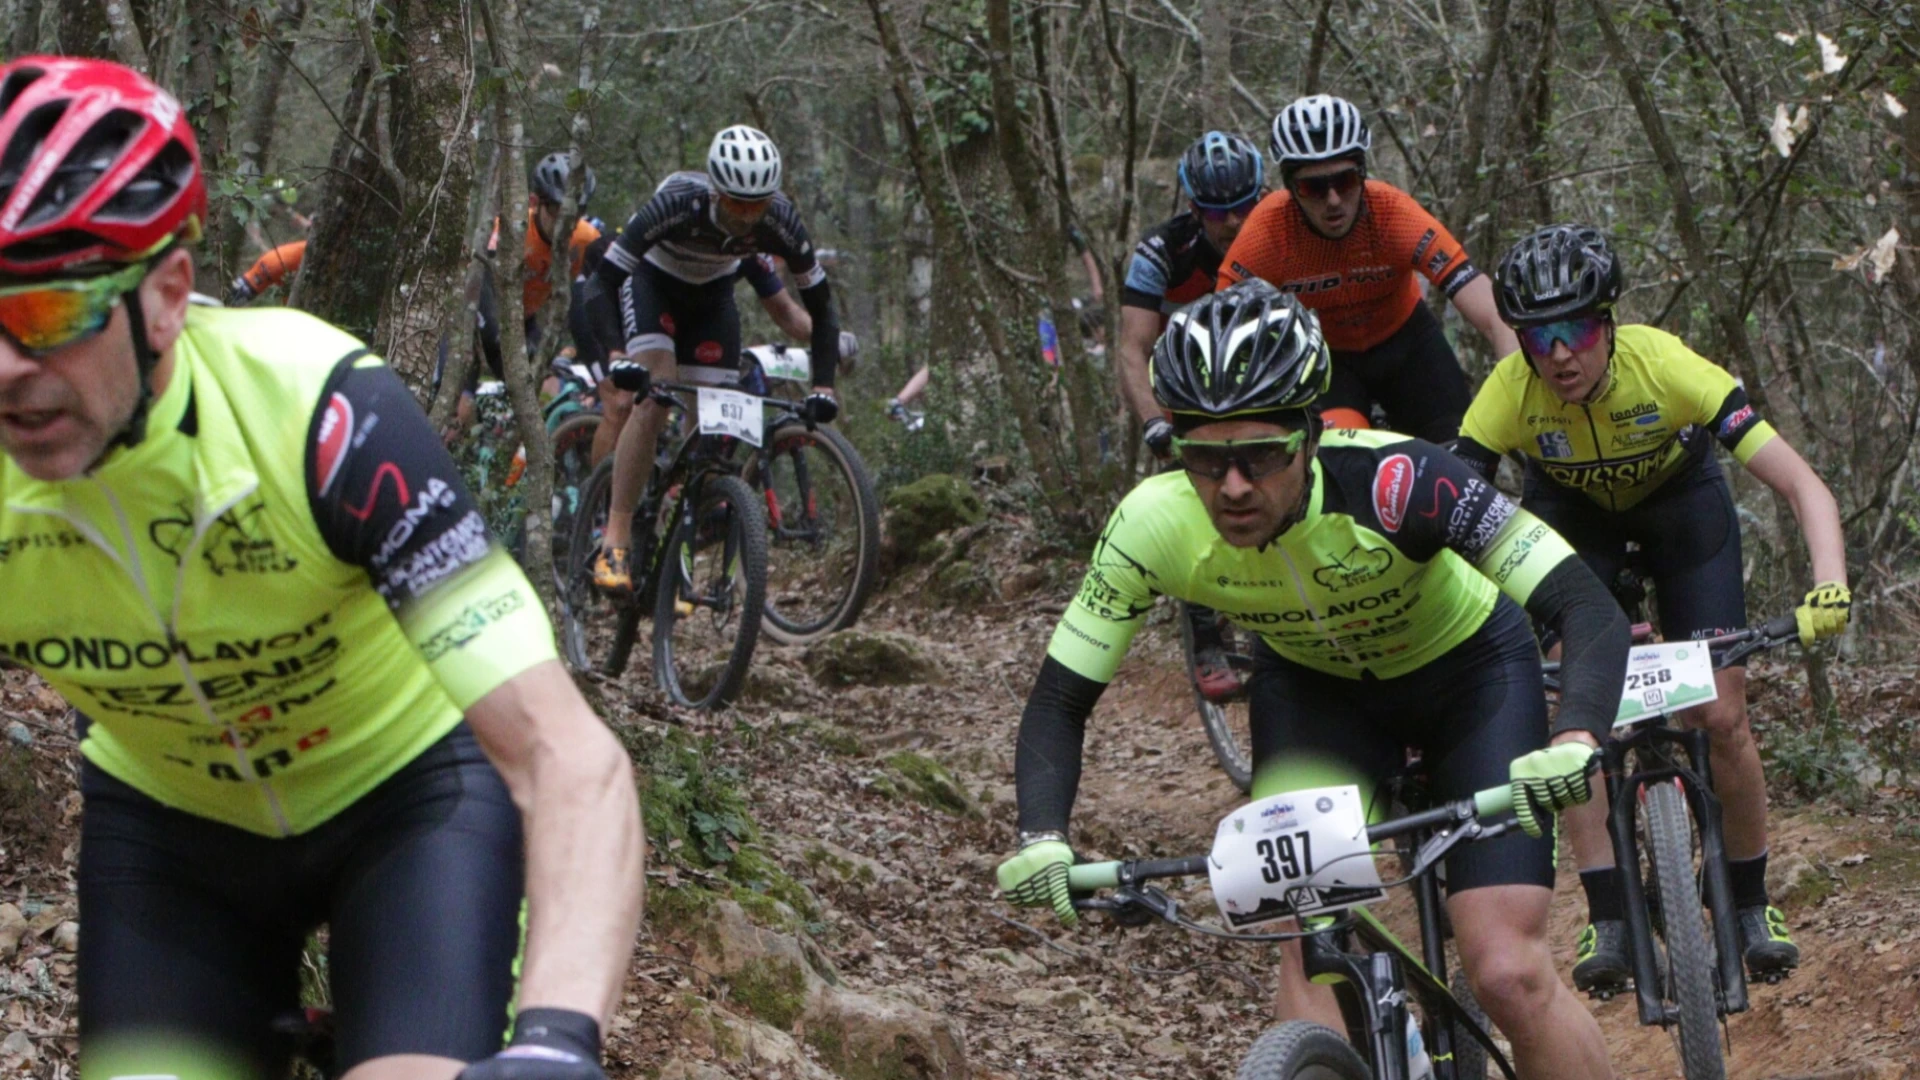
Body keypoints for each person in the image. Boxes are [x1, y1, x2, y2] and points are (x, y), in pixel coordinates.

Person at [0, 56, 643, 1080]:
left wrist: (558, 1044)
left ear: (167, 296)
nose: (7, 367)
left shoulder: (322, 417)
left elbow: (571, 759)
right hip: (171, 841)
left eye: (45, 315)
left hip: (407, 802)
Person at [996, 280, 1628, 1080]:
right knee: (1309, 949)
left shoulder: (1405, 482)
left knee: (1508, 970)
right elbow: (1062, 695)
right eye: (1204, 458)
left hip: (1470, 678)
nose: (1230, 488)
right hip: (1317, 696)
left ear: (1310, 435)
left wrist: (1575, 736)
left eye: (1259, 456)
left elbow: (1584, 605)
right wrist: (1041, 834)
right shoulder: (1152, 524)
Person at [1455, 223, 1849, 990]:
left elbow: (1803, 485)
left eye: (1577, 330)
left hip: (1682, 518)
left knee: (1722, 714)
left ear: (1608, 323)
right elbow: (1446, 521)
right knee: (1575, 711)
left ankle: (1747, 900)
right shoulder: (1509, 394)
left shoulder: (1665, 366)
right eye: (1539, 338)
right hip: (1574, 526)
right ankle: (1608, 914)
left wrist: (1827, 581)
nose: (1561, 354)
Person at [583, 124, 843, 591]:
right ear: (716, 191)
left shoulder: (780, 218)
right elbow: (601, 282)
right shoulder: (679, 201)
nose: (747, 216)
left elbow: (820, 307)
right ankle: (615, 535)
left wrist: (823, 386)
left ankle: (678, 538)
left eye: (757, 205)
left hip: (712, 298)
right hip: (653, 284)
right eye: (736, 204)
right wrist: (619, 354)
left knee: (712, 420)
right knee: (656, 393)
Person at [1218, 94, 1520, 443]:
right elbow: (1222, 330)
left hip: (1407, 346)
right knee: (1344, 459)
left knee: (1457, 456)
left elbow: (1490, 310)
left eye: (1344, 181)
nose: (1332, 200)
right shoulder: (1268, 231)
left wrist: (1513, 389)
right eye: (1312, 186)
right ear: (1289, 188)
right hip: (1327, 360)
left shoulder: (1393, 214)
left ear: (1362, 174)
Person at [1114, 129, 1265, 700]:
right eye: (1215, 211)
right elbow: (1132, 347)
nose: (1231, 223)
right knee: (1193, 499)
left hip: (1258, 381)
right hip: (1186, 390)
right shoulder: (1161, 252)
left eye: (1243, 207)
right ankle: (1206, 636)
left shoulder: (1277, 237)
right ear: (1192, 206)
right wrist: (1154, 421)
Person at [888, 224, 1103, 425]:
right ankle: (902, 401)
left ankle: (902, 400)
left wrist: (1086, 260)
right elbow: (1095, 289)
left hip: (1029, 331)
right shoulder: (1038, 304)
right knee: (955, 356)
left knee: (954, 356)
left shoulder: (1064, 306)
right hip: (1017, 327)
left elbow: (1095, 289)